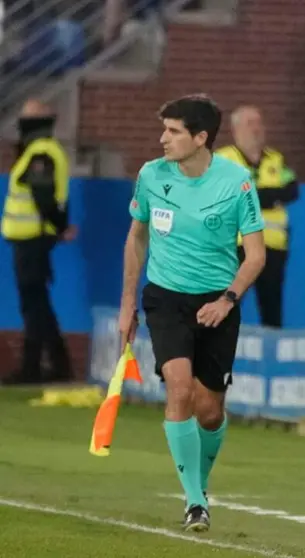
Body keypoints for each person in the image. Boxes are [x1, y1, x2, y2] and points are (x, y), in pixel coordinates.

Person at [117, 95, 266, 532]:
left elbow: (255, 256)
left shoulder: (236, 182)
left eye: (173, 131)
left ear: (201, 138)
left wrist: (227, 301)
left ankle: (198, 483)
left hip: (217, 302)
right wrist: (128, 305)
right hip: (165, 299)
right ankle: (195, 502)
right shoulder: (150, 176)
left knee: (210, 411)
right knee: (178, 390)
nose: (163, 139)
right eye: (163, 129)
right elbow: (137, 238)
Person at [1, 99, 76, 385]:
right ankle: (58, 365)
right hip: (32, 239)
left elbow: (43, 197)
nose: (21, 122)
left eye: (26, 118)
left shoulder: (41, 152)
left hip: (33, 239)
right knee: (38, 303)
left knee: (33, 305)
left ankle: (32, 367)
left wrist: (60, 227)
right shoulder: (39, 150)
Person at [215, 105, 299, 328]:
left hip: (273, 246)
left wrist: (254, 194)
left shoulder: (275, 159)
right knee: (227, 302)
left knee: (272, 308)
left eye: (259, 123)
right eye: (250, 124)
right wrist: (270, 196)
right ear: (236, 130)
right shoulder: (223, 160)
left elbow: (292, 190)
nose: (256, 129)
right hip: (236, 245)